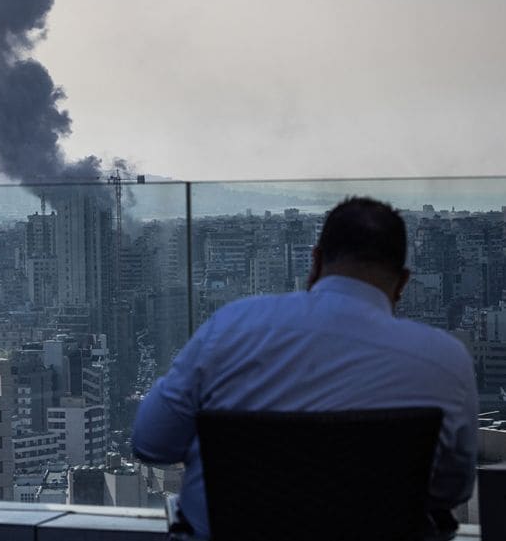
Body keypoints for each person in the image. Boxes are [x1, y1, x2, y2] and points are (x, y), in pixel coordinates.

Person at [132, 197, 477, 539]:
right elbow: (452, 489)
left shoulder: (232, 327)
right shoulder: (445, 359)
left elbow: (151, 443)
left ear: (314, 261)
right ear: (402, 282)